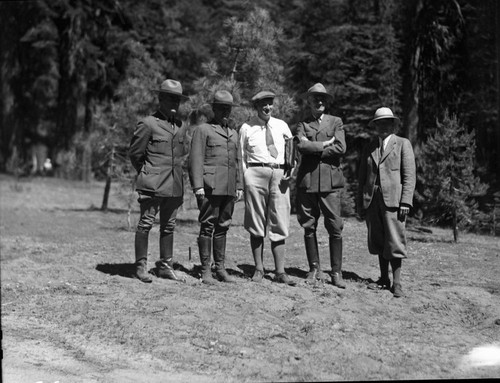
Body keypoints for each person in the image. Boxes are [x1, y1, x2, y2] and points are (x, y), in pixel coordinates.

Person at [129, 79, 189, 283]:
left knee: (169, 226)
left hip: (174, 185)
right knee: (145, 224)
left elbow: (181, 155)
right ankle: (140, 267)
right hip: (152, 184)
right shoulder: (148, 124)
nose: (175, 102)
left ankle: (165, 266)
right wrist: (148, 173)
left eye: (178, 99)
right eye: (171, 98)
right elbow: (136, 154)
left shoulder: (181, 126)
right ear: (160, 98)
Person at [357, 107, 416, 298]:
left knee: (395, 240)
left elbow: (409, 176)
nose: (382, 127)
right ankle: (384, 279)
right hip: (373, 200)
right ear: (375, 126)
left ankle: (397, 282)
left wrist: (406, 201)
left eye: (386, 123)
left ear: (393, 125)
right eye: (379, 123)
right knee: (379, 240)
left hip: (394, 201)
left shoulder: (402, 144)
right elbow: (362, 178)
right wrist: (361, 203)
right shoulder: (370, 147)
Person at [239, 90, 296, 286]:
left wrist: (291, 169)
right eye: (263, 104)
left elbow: (291, 151)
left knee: (280, 221)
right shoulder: (247, 127)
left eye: (270, 103)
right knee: (256, 221)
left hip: (279, 177)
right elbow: (241, 157)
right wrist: (245, 179)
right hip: (255, 175)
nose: (267, 107)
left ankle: (280, 271)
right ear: (256, 107)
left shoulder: (282, 126)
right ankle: (259, 268)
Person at [188, 90, 244, 284]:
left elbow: (238, 161)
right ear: (213, 109)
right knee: (207, 226)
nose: (225, 112)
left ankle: (219, 268)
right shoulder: (203, 130)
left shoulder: (233, 133)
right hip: (209, 187)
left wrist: (239, 185)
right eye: (221, 108)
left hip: (228, 187)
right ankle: (205, 270)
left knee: (223, 226)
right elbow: (195, 159)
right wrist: (198, 187)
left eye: (227, 109)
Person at [295, 83, 347, 288]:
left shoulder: (336, 122)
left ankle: (336, 272)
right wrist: (325, 145)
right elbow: (301, 145)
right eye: (315, 98)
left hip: (330, 183)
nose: (319, 101)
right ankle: (314, 269)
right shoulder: (303, 124)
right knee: (309, 226)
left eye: (323, 98)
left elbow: (341, 147)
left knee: (335, 227)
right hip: (307, 182)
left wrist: (313, 148)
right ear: (308, 101)